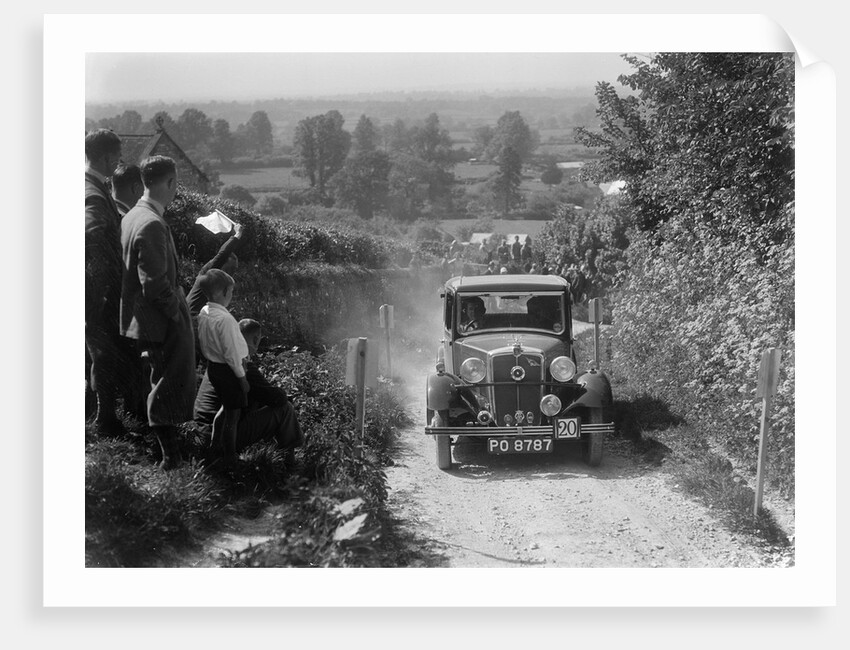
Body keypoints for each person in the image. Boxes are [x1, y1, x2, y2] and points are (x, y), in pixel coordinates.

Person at [120, 155, 196, 470]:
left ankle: (170, 454)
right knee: (166, 382)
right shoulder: (151, 222)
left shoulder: (133, 215)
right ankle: (170, 459)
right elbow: (154, 283)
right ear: (169, 182)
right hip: (157, 319)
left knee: (157, 380)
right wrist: (177, 312)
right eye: (175, 184)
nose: (176, 190)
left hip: (143, 317)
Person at [85, 129, 145, 434]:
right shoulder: (94, 195)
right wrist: (106, 285)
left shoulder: (88, 185)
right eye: (117, 157)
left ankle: (103, 415)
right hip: (100, 289)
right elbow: (93, 235)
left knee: (99, 353)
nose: (118, 162)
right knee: (103, 354)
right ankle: (105, 419)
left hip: (95, 286)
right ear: (108, 157)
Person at [193, 318, 304, 464]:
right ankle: (291, 464)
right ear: (256, 339)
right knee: (285, 409)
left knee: (254, 401)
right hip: (221, 436)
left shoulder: (220, 358)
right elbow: (277, 398)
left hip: (200, 433)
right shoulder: (242, 365)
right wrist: (281, 392)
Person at [196, 269, 250, 466]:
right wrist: (242, 378)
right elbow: (232, 353)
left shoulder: (204, 312)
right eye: (231, 292)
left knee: (225, 409)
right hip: (229, 371)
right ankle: (230, 457)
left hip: (214, 368)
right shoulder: (226, 319)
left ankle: (213, 446)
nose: (231, 296)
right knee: (233, 416)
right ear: (224, 291)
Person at [187, 222, 244, 321]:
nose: (232, 272)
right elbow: (222, 254)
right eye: (231, 268)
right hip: (190, 319)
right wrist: (237, 235)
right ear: (223, 264)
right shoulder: (207, 275)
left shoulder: (222, 283)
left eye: (235, 269)